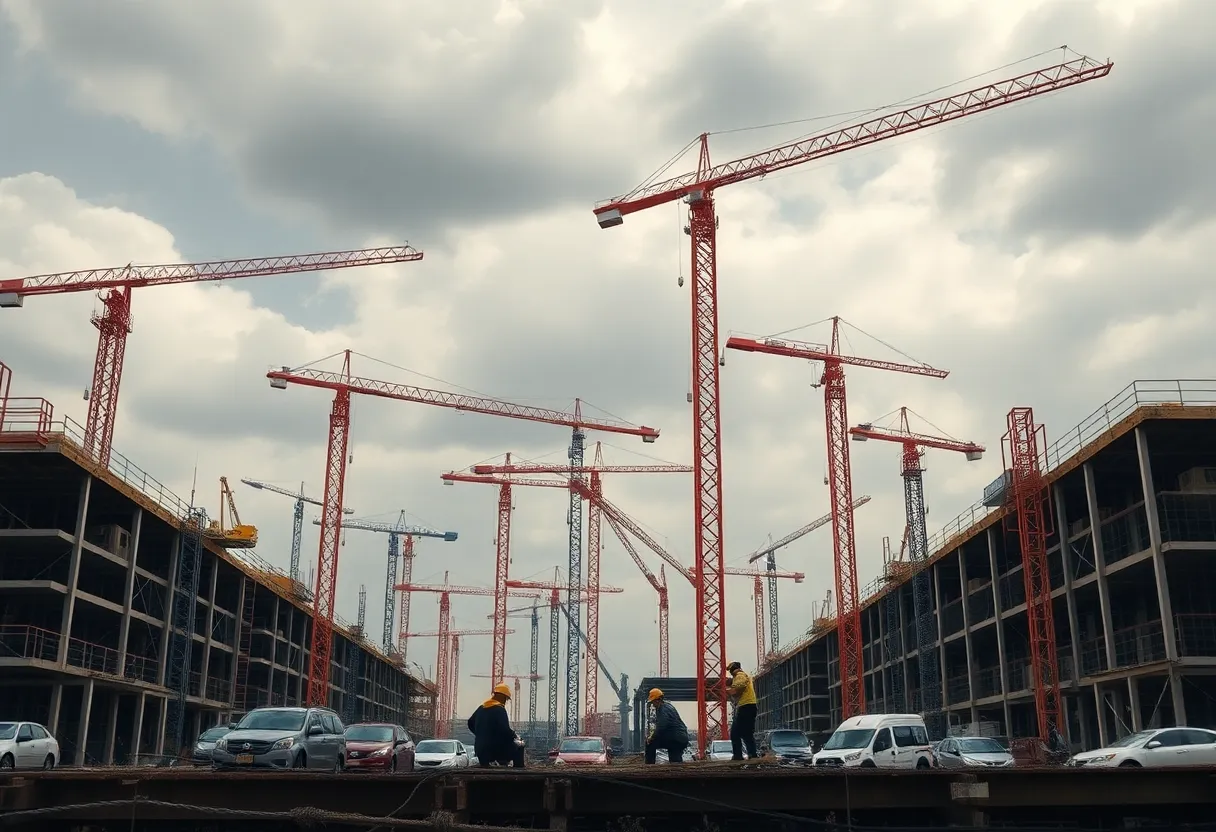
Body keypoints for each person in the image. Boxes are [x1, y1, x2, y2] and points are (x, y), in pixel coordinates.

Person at [467, 683, 526, 768]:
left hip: (481, 751)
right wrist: (515, 736)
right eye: (506, 699)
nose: (505, 701)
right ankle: (519, 770)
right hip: (495, 751)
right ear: (502, 697)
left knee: (503, 744)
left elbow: (470, 723)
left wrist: (480, 734)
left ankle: (492, 763)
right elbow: (505, 730)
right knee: (520, 745)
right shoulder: (499, 709)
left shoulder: (481, 708)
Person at [644, 688, 689, 764]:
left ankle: (649, 768)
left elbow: (661, 726)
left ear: (658, 700)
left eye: (653, 702)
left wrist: (651, 737)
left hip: (675, 739)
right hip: (680, 738)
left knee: (650, 743)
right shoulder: (668, 706)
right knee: (675, 761)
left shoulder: (663, 709)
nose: (652, 704)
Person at [726, 661, 758, 760]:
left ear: (732, 669)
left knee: (735, 733)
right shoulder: (743, 675)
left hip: (745, 707)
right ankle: (752, 754)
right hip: (750, 706)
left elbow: (739, 686)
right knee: (747, 733)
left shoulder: (739, 675)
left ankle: (738, 756)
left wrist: (729, 690)